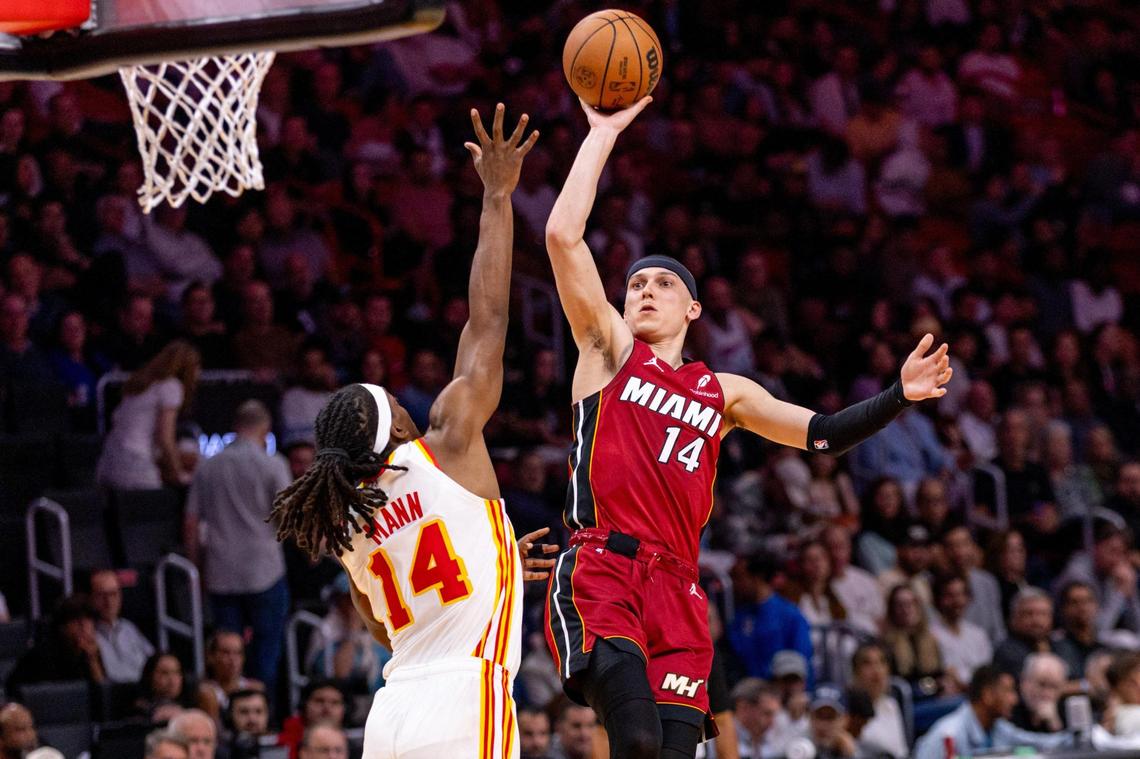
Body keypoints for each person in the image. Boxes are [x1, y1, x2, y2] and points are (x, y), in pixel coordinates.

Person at [543, 98, 952, 758]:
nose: (644, 290)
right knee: (637, 740)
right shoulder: (608, 351)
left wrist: (897, 395)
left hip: (680, 587)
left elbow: (822, 433)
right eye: (635, 284)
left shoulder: (724, 391)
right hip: (605, 567)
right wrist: (602, 134)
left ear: (694, 306)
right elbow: (563, 236)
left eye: (662, 283)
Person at [270, 104, 543, 758]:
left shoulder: (347, 521)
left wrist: (493, 556)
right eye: (394, 397)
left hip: (391, 713)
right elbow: (490, 320)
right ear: (393, 421)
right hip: (463, 695)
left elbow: (390, 628)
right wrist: (497, 199)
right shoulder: (446, 444)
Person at [185, 400, 292, 697]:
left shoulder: (208, 468)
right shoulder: (273, 464)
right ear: (265, 429)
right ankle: (262, 714)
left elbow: (191, 523)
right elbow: (288, 515)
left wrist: (197, 567)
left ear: (235, 427)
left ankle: (227, 710)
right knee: (266, 647)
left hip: (221, 571)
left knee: (225, 653)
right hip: (264, 570)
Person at [96, 340, 200, 488]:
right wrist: (179, 476)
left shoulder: (141, 385)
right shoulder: (171, 386)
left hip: (108, 462)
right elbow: (165, 439)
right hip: (135, 466)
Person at [913, 666, 1069, 759]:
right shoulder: (947, 735)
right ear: (987, 695)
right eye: (1008, 691)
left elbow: (1038, 744)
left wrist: (1081, 735)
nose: (1014, 700)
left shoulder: (998, 727)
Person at [728, 553, 814, 685]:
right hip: (747, 690)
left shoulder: (790, 616)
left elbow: (802, 661)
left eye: (740, 578)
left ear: (757, 578)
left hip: (781, 690)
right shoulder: (740, 617)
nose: (735, 584)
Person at [6, 595, 105, 693]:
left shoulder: (92, 653)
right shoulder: (42, 656)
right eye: (76, 620)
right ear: (62, 627)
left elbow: (103, 696)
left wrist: (93, 661)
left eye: (88, 619)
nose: (83, 626)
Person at [928, 573, 993, 690]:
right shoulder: (930, 635)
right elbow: (945, 674)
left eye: (961, 595)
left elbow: (986, 672)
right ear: (938, 599)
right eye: (950, 595)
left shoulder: (978, 634)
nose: (957, 601)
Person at [89, 569, 155, 683]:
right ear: (91, 598)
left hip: (144, 692)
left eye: (114, 594)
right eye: (102, 595)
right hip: (115, 696)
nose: (109, 602)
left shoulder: (129, 628)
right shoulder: (88, 634)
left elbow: (155, 662)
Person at [850, 643, 908, 759]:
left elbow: (900, 751)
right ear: (856, 672)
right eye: (867, 664)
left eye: (881, 663)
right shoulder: (847, 707)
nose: (876, 671)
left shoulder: (891, 705)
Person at [195, 631, 264, 721]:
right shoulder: (207, 693)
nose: (232, 659)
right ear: (211, 657)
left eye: (238, 653)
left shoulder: (255, 688)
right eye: (226, 652)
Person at [993, 588, 1059, 676]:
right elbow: (1040, 682)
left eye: (1043, 614)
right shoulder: (1007, 652)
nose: (1036, 620)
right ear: (1014, 619)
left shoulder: (1059, 645)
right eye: (1028, 614)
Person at [277, 679, 347, 759]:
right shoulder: (283, 745)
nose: (327, 708)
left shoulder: (361, 745)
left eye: (335, 702)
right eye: (319, 701)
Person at [1053, 581, 1103, 679]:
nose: (1082, 608)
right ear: (1063, 609)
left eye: (1088, 601)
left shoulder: (1105, 646)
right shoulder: (1055, 645)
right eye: (1075, 602)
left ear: (1097, 606)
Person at [728, 678, 787, 758]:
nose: (772, 722)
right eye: (767, 713)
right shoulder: (717, 737)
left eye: (774, 715)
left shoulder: (777, 735)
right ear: (744, 708)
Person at [1011, 653, 1067, 733]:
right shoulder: (1010, 709)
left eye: (1054, 687)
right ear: (1024, 682)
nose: (1047, 694)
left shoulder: (1065, 710)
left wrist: (1054, 725)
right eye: (1042, 685)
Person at [134, 653, 196, 722]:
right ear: (150, 676)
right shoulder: (138, 711)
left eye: (177, 672)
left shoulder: (193, 705)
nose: (172, 680)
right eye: (164, 673)